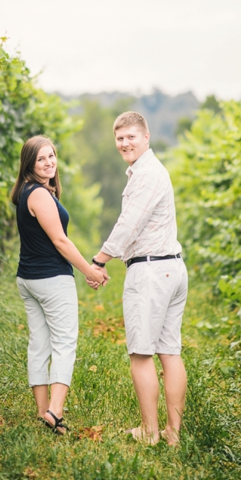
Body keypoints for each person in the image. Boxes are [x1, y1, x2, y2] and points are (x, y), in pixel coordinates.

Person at [90, 111, 188, 446]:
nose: (124, 143)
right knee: (170, 352)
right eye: (119, 138)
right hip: (171, 267)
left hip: (151, 273)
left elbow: (129, 223)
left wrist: (99, 260)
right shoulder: (149, 171)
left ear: (146, 137)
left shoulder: (146, 174)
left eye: (131, 136)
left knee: (142, 355)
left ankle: (151, 433)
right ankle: (172, 434)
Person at [10, 136, 107, 436]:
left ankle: (43, 412)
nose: (49, 162)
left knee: (39, 343)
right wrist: (90, 270)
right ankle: (55, 410)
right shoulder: (38, 194)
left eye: (51, 156)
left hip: (28, 278)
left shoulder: (27, 192)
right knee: (64, 343)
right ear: (30, 163)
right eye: (41, 159)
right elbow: (60, 241)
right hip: (51, 279)